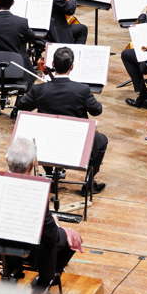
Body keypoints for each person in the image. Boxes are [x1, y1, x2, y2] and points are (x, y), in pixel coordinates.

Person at [15, 46, 109, 194]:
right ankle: (89, 183)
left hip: (45, 142)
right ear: (71, 67)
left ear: (52, 64)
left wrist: (35, 87)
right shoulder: (82, 90)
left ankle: (50, 175)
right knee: (101, 140)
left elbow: (21, 105)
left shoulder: (39, 90)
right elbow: (97, 111)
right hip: (75, 143)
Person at [4, 137, 83, 288]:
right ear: (33, 163)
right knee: (70, 237)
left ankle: (14, 269)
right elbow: (51, 235)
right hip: (28, 245)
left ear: (6, 158)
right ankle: (46, 279)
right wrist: (62, 229)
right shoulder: (37, 191)